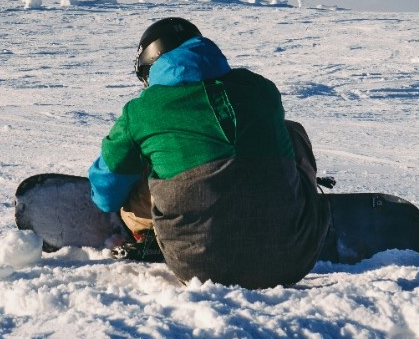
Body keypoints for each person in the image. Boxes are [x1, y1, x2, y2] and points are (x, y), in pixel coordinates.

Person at [88, 17, 330, 288]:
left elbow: (107, 195)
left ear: (153, 65)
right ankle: (291, 204)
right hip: (293, 259)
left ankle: (150, 234)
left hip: (198, 267)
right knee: (290, 131)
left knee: (142, 161)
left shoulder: (140, 111)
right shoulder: (262, 89)